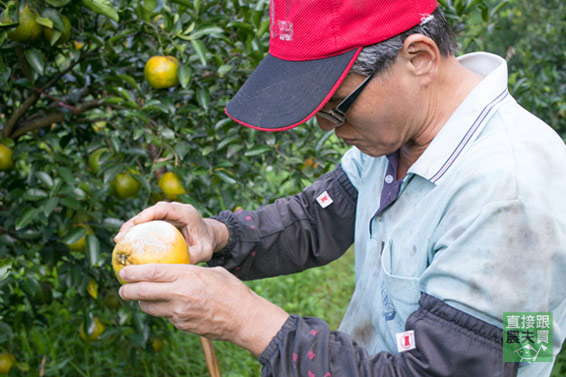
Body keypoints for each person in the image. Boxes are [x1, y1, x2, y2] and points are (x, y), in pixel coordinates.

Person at [115, 0, 566, 376]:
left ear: (419, 58)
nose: (331, 129)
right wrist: (219, 236)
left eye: (338, 107)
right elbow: (321, 215)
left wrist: (246, 319)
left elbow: (445, 368)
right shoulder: (403, 135)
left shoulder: (511, 193)